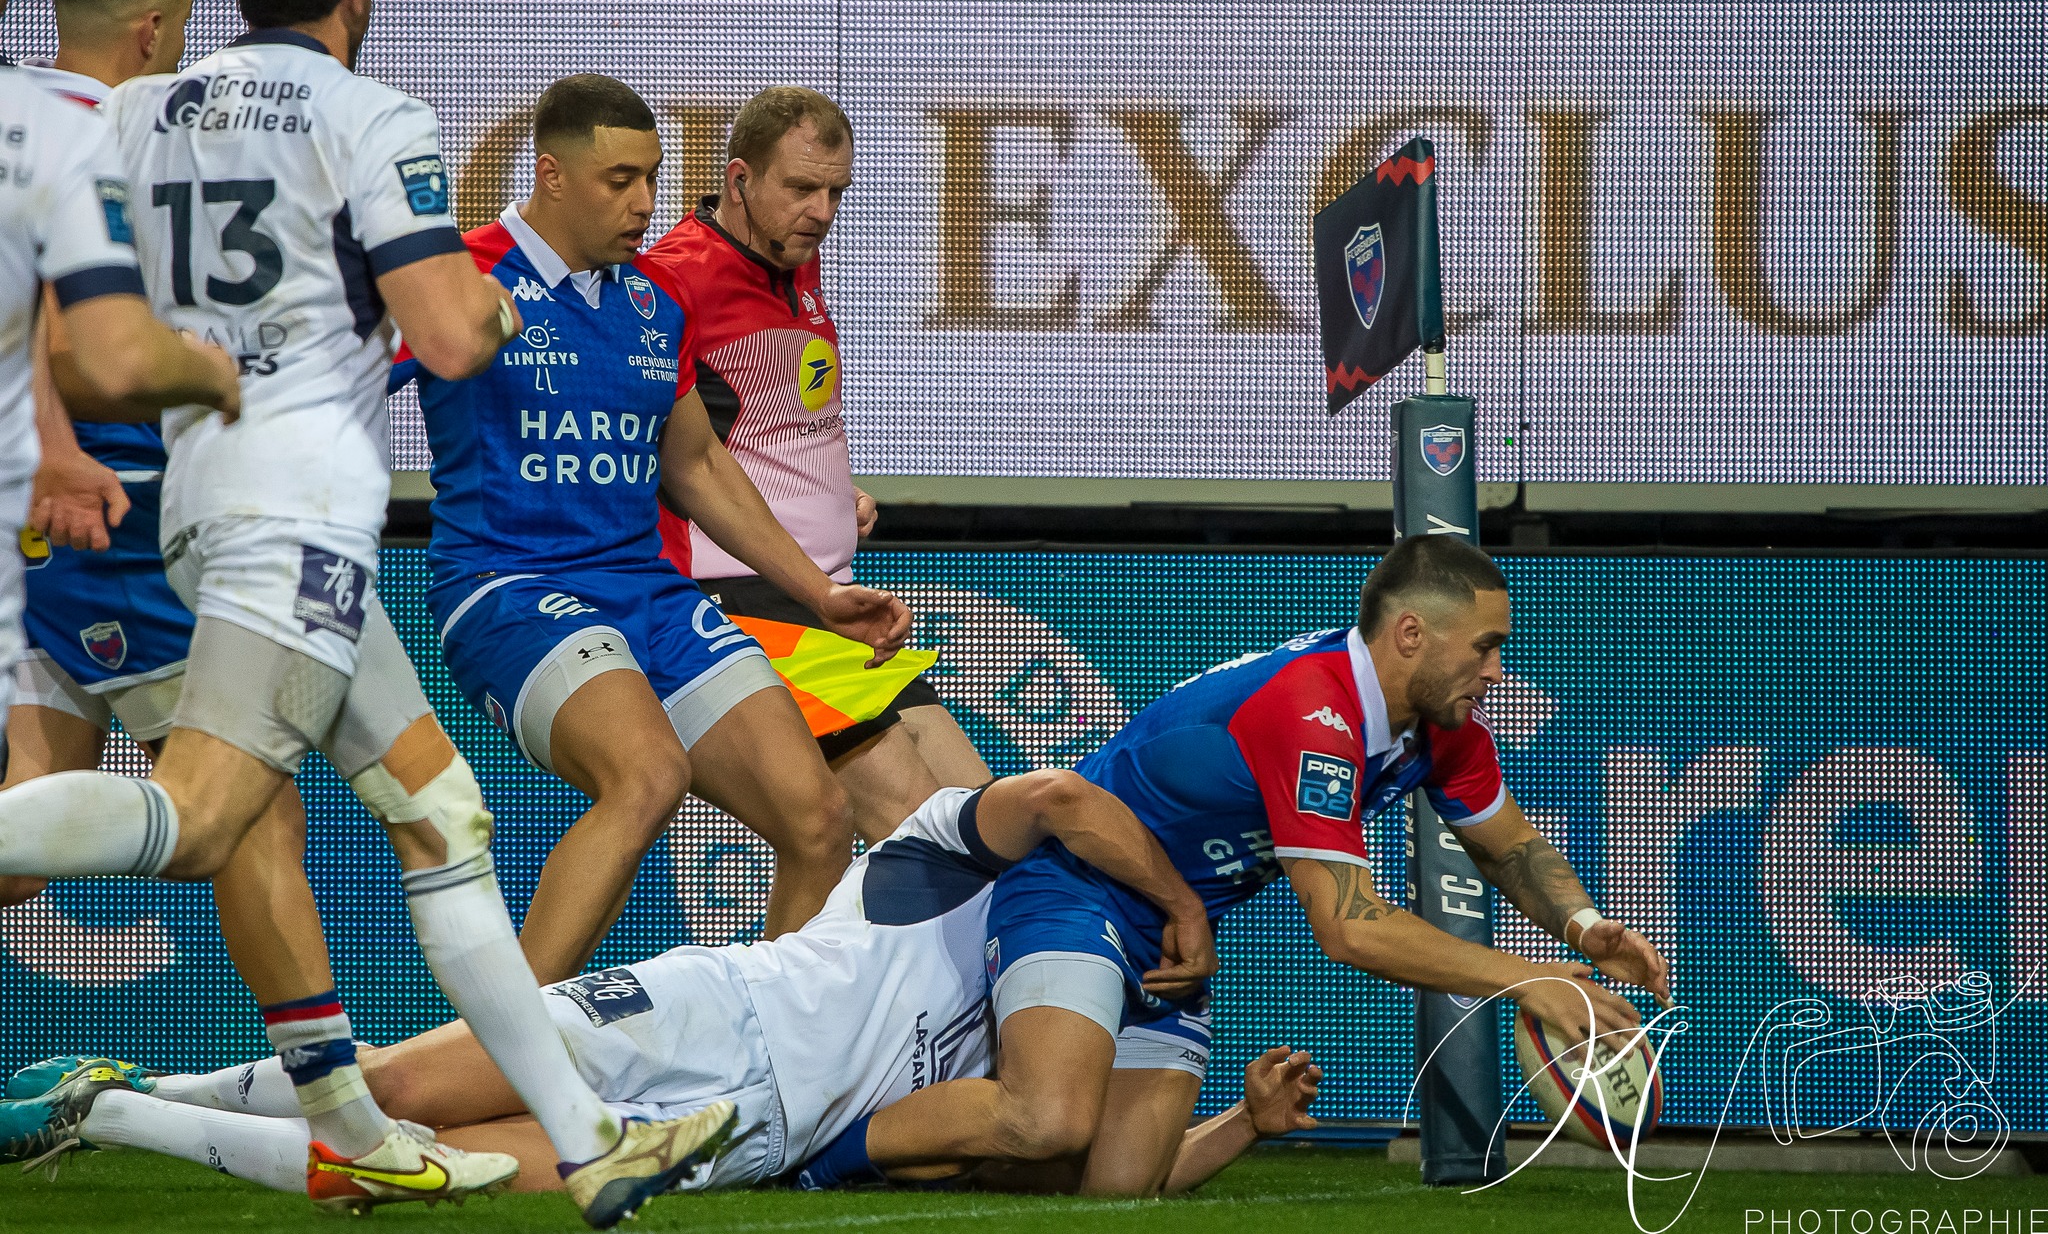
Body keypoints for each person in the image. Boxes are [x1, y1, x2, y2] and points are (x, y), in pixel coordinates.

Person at [0, 0, 734, 1223]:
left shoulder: (139, 110)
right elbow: (450, 336)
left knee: (441, 810)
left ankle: (593, 1142)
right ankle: (443, 1128)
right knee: (206, 816)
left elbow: (67, 333)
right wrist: (495, 309)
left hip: (199, 505)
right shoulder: (374, 116)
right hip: (293, 519)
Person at [800, 535, 1676, 1195]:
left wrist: (1585, 927)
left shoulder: (1440, 730)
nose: (1496, 668)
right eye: (1484, 645)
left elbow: (1509, 844)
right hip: (1076, 887)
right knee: (1048, 1119)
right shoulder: (1313, 712)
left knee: (1119, 1186)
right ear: (1411, 632)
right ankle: (816, 1155)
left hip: (1176, 937)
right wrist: (1527, 980)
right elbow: (1349, 925)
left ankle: (928, 1149)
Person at [0, 772, 1227, 1198]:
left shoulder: (1053, 1028)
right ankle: (142, 1081)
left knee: (426, 1169)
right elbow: (1057, 796)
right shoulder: (946, 842)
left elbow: (1091, 1161)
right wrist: (1176, 892)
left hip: (747, 1135)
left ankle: (106, 1110)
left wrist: (1238, 1125)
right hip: (710, 1009)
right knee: (395, 1085)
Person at [405, 73, 911, 977]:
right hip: (509, 588)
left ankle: (765, 1049)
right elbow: (331, 384)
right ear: (551, 174)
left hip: (650, 593)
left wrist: (820, 593)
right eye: (620, 180)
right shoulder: (457, 274)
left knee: (820, 819)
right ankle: (503, 1045)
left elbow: (698, 466)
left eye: (652, 177)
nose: (646, 201)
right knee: (648, 775)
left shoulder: (652, 301)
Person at [644, 87, 992, 844]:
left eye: (836, 191)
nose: (822, 212)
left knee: (985, 819)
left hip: (827, 600)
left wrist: (834, 493)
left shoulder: (792, 257)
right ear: (739, 179)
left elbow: (763, 413)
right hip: (740, 603)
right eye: (802, 188)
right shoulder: (670, 281)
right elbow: (669, 453)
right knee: (920, 834)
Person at [2, 0, 198, 911]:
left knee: (22, 841)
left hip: (47, 513)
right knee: (242, 813)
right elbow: (48, 330)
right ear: (152, 29)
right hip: (105, 506)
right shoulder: (108, 135)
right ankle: (321, 1036)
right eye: (184, 32)